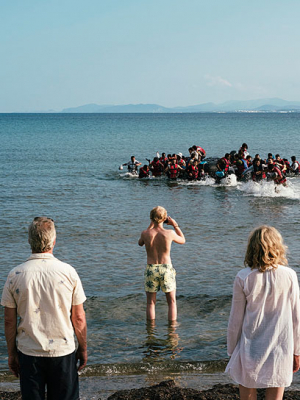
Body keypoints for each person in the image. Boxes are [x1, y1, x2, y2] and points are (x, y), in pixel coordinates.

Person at [1, 217, 87, 400]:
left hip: (29, 352)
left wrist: (11, 353)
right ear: (54, 241)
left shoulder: (15, 274)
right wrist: (83, 348)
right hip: (63, 351)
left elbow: (9, 320)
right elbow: (78, 318)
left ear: (29, 241)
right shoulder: (68, 272)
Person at [226, 226, 300, 400]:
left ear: (252, 248)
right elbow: (297, 317)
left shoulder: (243, 276)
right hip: (280, 346)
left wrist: (231, 351)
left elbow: (235, 320)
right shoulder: (289, 275)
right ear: (278, 247)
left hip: (250, 346)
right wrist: (297, 350)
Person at [138, 206, 185, 321]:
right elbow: (183, 240)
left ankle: (150, 331)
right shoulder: (169, 233)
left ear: (151, 218)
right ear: (164, 218)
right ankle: (172, 330)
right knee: (172, 302)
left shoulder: (145, 233)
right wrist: (175, 225)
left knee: (150, 303)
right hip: (166, 269)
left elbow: (140, 243)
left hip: (151, 269)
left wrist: (150, 225)